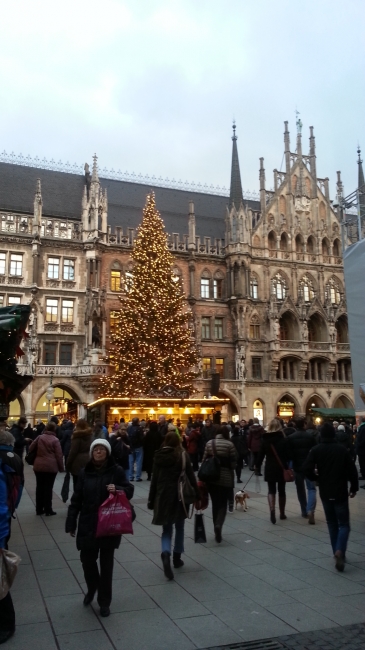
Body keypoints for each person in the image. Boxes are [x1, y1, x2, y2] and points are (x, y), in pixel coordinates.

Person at [65, 439, 134, 616]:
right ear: (91, 452)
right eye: (96, 449)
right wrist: (71, 522)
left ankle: (104, 601)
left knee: (106, 564)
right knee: (87, 561)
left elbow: (129, 489)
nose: (99, 452)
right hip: (88, 522)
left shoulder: (116, 471)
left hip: (109, 524)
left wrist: (118, 489)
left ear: (107, 452)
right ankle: (92, 586)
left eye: (102, 449)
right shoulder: (84, 472)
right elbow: (76, 500)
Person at [303, 422, 358, 572]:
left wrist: (315, 477)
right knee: (344, 524)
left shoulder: (316, 450)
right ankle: (341, 550)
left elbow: (306, 468)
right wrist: (354, 487)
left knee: (332, 523)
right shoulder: (341, 449)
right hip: (340, 490)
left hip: (325, 491)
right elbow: (352, 470)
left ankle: (336, 551)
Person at [147, 432, 199, 580]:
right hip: (179, 496)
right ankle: (177, 557)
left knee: (166, 529)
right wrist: (197, 493)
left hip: (162, 496)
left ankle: (165, 553)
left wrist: (151, 500)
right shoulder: (182, 455)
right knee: (180, 526)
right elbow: (190, 475)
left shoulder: (158, 456)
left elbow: (154, 481)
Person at [0, 428, 24, 645]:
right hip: (6, 519)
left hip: (1, 524)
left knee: (0, 580)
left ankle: (7, 623)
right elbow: (21, 486)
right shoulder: (15, 458)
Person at [201, 425, 237, 542]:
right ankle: (219, 525)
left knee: (215, 503)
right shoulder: (229, 444)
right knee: (223, 504)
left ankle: (215, 525)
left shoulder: (209, 443)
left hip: (211, 478)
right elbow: (233, 463)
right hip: (225, 478)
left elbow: (204, 460)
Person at [256, 418, 288, 524]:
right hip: (281, 467)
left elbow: (260, 455)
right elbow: (289, 454)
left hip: (270, 467)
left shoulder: (265, 440)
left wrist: (257, 466)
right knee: (282, 490)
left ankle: (272, 510)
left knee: (271, 490)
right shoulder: (283, 439)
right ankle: (282, 513)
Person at [286, 417, 317, 523]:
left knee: (300, 489)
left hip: (297, 467)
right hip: (309, 466)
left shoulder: (290, 438)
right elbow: (314, 451)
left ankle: (304, 511)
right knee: (311, 489)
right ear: (304, 425)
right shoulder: (310, 437)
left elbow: (289, 454)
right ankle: (310, 510)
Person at [29, 422, 64, 516]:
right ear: (54, 429)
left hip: (39, 465)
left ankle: (39, 509)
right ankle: (48, 509)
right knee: (48, 488)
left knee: (39, 487)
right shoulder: (55, 440)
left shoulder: (39, 437)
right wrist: (61, 468)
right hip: (51, 467)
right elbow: (59, 455)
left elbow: (31, 447)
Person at [66, 419, 93, 491]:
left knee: (77, 483)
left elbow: (73, 452)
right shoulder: (90, 435)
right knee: (86, 483)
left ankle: (77, 500)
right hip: (88, 460)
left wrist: (68, 464)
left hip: (77, 462)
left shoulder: (77, 436)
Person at [356, 416, 365, 484]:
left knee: (363, 463)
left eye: (358, 420)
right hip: (362, 449)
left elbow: (362, 439)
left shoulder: (363, 428)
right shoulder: (361, 427)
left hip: (362, 450)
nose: (357, 421)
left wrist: (359, 445)